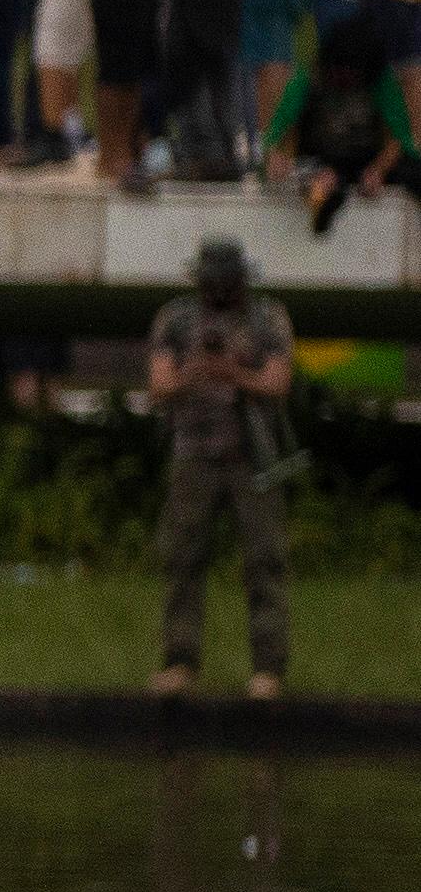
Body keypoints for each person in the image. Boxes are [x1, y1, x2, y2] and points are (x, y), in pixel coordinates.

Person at [141, 236, 291, 699]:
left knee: (265, 557)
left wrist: (236, 374)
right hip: (193, 451)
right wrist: (194, 374)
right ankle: (180, 661)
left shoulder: (268, 318)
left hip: (253, 454)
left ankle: (268, 668)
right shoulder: (176, 318)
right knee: (183, 555)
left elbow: (277, 382)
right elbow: (159, 384)